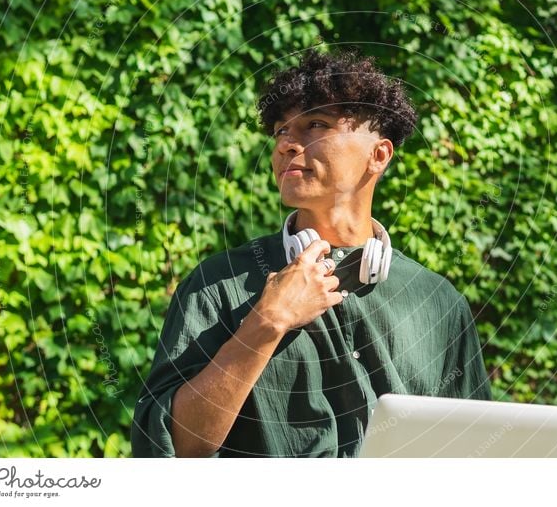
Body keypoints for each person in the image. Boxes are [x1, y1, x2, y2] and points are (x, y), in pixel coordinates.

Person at [131, 49, 492, 457]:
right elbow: (168, 451)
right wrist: (268, 322)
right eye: (281, 131)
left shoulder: (438, 302)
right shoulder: (217, 286)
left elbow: (476, 455)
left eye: (315, 125)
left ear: (379, 156)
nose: (286, 144)